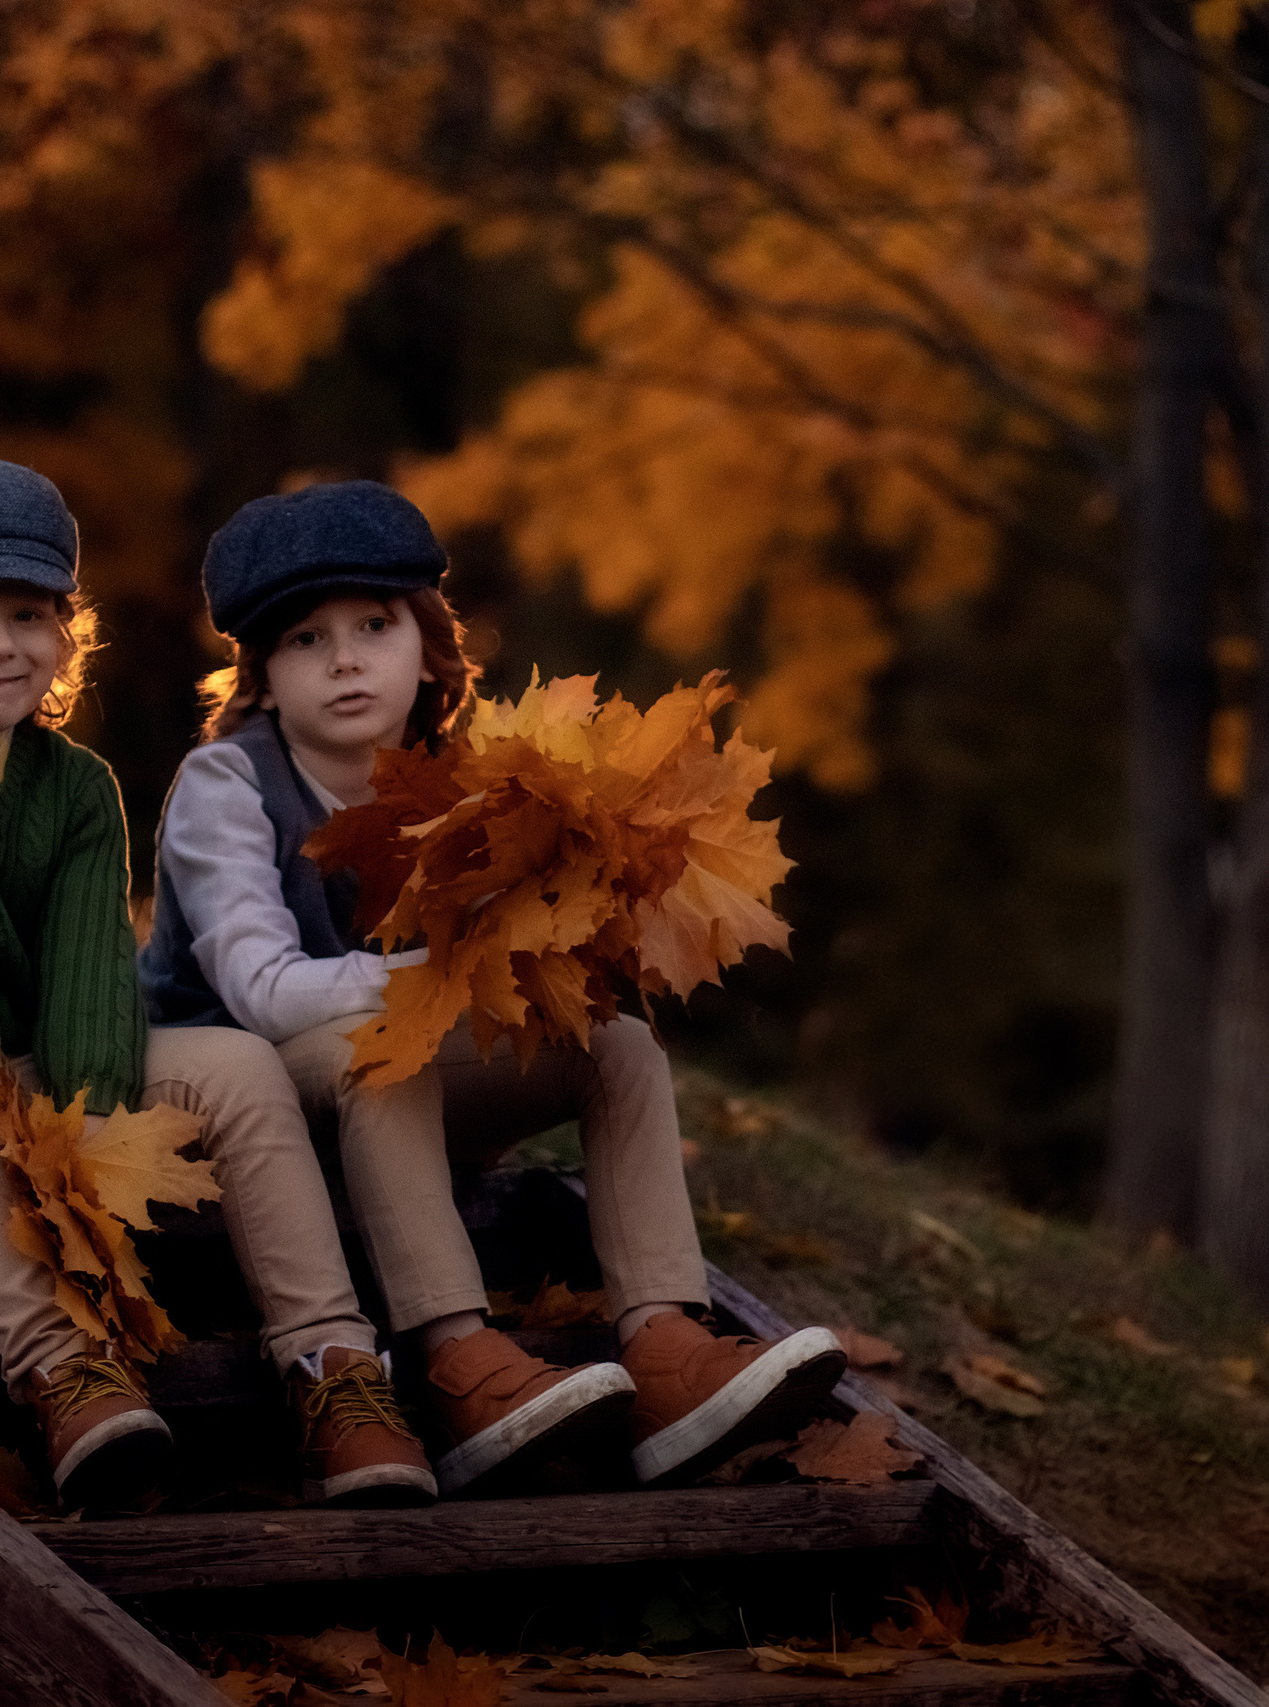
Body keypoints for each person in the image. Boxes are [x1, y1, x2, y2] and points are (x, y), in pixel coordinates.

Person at [0, 457, 434, 1511]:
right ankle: (62, 1367)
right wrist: (65, 1187)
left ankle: (332, 1368)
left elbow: (93, 980)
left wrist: (99, 1134)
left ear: (64, 630)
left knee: (232, 1063)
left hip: (18, 1071)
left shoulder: (74, 786)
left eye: (28, 614)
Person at [138, 479, 845, 1497]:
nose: (342, 659)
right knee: (381, 1054)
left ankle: (664, 1346)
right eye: (303, 639)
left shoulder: (470, 776)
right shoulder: (228, 786)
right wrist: (437, 980)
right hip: (247, 1088)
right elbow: (261, 990)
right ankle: (457, 1360)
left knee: (617, 1050)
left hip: (400, 1062)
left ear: (426, 646)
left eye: (373, 625)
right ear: (259, 674)